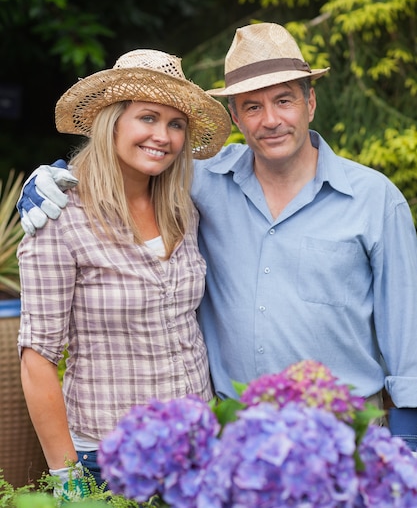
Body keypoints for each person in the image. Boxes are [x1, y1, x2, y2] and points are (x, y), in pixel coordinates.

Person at [17, 23, 417, 452]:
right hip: (232, 446)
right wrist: (52, 177)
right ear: (236, 117)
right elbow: (130, 165)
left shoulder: (375, 200)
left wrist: (407, 441)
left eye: (284, 100)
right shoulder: (199, 183)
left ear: (310, 103)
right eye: (252, 106)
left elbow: (407, 331)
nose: (271, 120)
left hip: (346, 440)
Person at [17, 48, 231, 496]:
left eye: (176, 124)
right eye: (148, 118)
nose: (163, 136)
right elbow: (38, 359)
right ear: (111, 121)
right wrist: (67, 477)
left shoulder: (183, 209)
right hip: (109, 458)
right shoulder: (61, 217)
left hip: (197, 451)